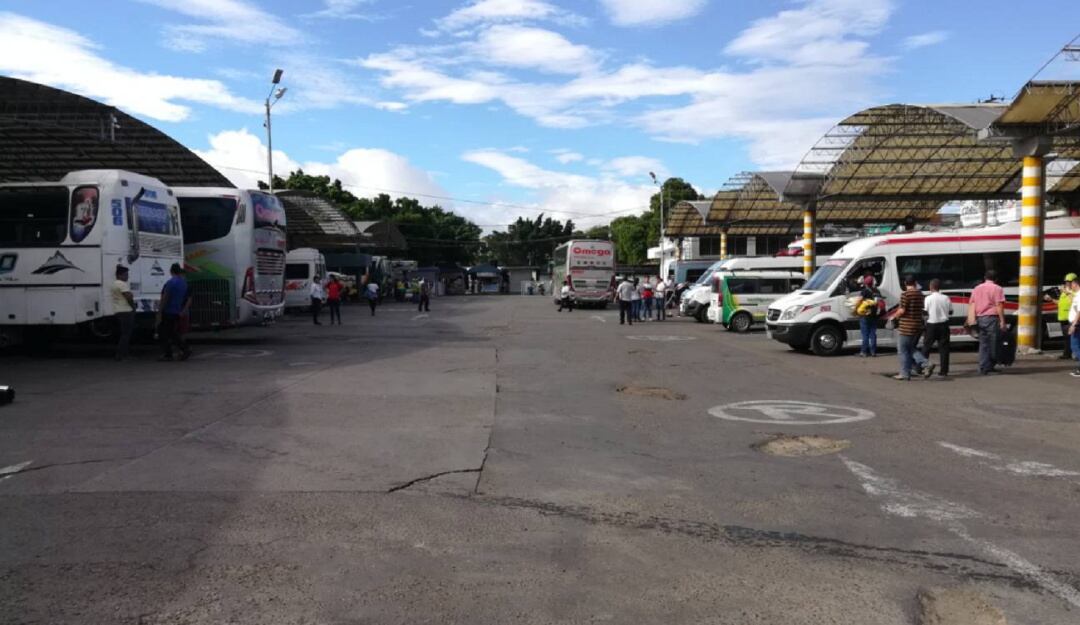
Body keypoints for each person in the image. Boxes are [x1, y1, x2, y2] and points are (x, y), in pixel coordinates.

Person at [890, 274, 932, 380]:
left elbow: (902, 310)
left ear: (905, 283)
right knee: (910, 348)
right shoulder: (920, 294)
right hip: (917, 325)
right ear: (915, 283)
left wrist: (893, 317)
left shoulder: (905, 294)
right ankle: (925, 364)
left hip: (906, 326)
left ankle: (906, 373)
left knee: (902, 350)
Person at [968, 270, 1007, 375]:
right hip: (992, 318)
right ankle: (988, 367)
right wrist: (1003, 321)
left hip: (980, 318)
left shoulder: (976, 288)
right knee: (993, 343)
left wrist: (971, 319)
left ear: (985, 278)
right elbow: (999, 305)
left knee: (983, 343)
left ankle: (983, 366)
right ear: (996, 279)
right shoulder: (997, 288)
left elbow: (972, 303)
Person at [157, 263, 192, 361]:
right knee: (172, 332)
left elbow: (165, 298)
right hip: (177, 310)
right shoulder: (184, 283)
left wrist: (160, 311)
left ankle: (170, 353)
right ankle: (183, 349)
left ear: (171, 271)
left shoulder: (171, 283)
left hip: (168, 310)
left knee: (163, 332)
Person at [922, 278, 952, 377]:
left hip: (931, 325)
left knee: (926, 347)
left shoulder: (928, 298)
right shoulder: (946, 298)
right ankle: (944, 371)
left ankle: (923, 367)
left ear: (931, 287)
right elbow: (951, 311)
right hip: (944, 325)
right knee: (944, 349)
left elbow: (925, 312)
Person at [1049, 273, 1077, 360]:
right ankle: (1067, 354)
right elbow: (1060, 303)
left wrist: (1067, 292)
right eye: (1066, 282)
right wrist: (1051, 299)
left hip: (1071, 318)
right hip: (1063, 318)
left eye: (1069, 282)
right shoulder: (1065, 292)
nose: (1067, 283)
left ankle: (1074, 354)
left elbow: (1075, 301)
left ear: (1074, 282)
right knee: (1067, 338)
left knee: (1073, 337)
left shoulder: (1075, 292)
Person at [854, 274, 882, 357]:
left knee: (865, 334)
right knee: (873, 334)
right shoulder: (877, 291)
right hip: (874, 315)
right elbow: (880, 301)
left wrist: (855, 309)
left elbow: (859, 300)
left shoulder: (864, 291)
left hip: (865, 315)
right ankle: (873, 351)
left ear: (865, 283)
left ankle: (864, 352)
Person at [112, 265, 136, 361]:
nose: (127, 277)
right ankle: (122, 354)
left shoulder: (114, 284)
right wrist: (133, 307)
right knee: (126, 334)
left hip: (118, 310)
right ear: (120, 275)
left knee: (124, 333)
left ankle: (122, 354)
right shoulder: (122, 284)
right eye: (126, 275)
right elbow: (128, 297)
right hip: (126, 311)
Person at [1067, 275, 1080, 377]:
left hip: (1077, 323)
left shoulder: (1079, 296)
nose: (1071, 286)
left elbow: (1079, 311)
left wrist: (1074, 325)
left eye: (1072, 284)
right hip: (1076, 322)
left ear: (1076, 284)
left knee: (1075, 346)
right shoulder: (1077, 295)